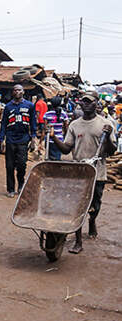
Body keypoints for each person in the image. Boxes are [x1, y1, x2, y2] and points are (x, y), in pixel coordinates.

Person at [50, 91, 115, 254]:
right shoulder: (74, 125)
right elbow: (66, 149)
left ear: (96, 104)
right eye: (84, 101)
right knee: (77, 207)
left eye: (90, 101)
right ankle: (78, 241)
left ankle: (92, 221)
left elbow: (112, 151)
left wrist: (106, 138)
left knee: (95, 206)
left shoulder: (105, 124)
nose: (86, 104)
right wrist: (54, 138)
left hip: (97, 172)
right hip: (78, 172)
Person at [0, 84, 37, 197]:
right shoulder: (8, 107)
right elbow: (3, 124)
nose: (17, 92)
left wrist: (33, 138)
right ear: (12, 92)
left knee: (21, 164)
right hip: (10, 139)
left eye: (19, 90)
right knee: (9, 166)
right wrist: (1, 140)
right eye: (15, 90)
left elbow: (33, 123)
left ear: (23, 92)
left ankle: (21, 184)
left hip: (23, 139)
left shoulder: (29, 106)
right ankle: (10, 189)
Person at [42, 96, 69, 161]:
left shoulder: (47, 114)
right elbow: (66, 128)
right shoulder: (63, 114)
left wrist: (41, 141)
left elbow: (45, 129)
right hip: (59, 140)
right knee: (57, 159)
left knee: (49, 158)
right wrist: (65, 137)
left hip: (49, 140)